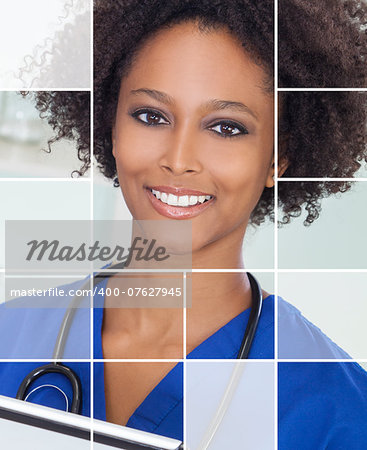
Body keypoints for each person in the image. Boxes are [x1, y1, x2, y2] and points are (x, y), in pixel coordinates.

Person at [1, 0, 367, 448]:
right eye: (151, 116)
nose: (178, 160)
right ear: (111, 126)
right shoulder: (10, 336)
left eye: (226, 128)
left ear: (278, 157)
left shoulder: (338, 410)